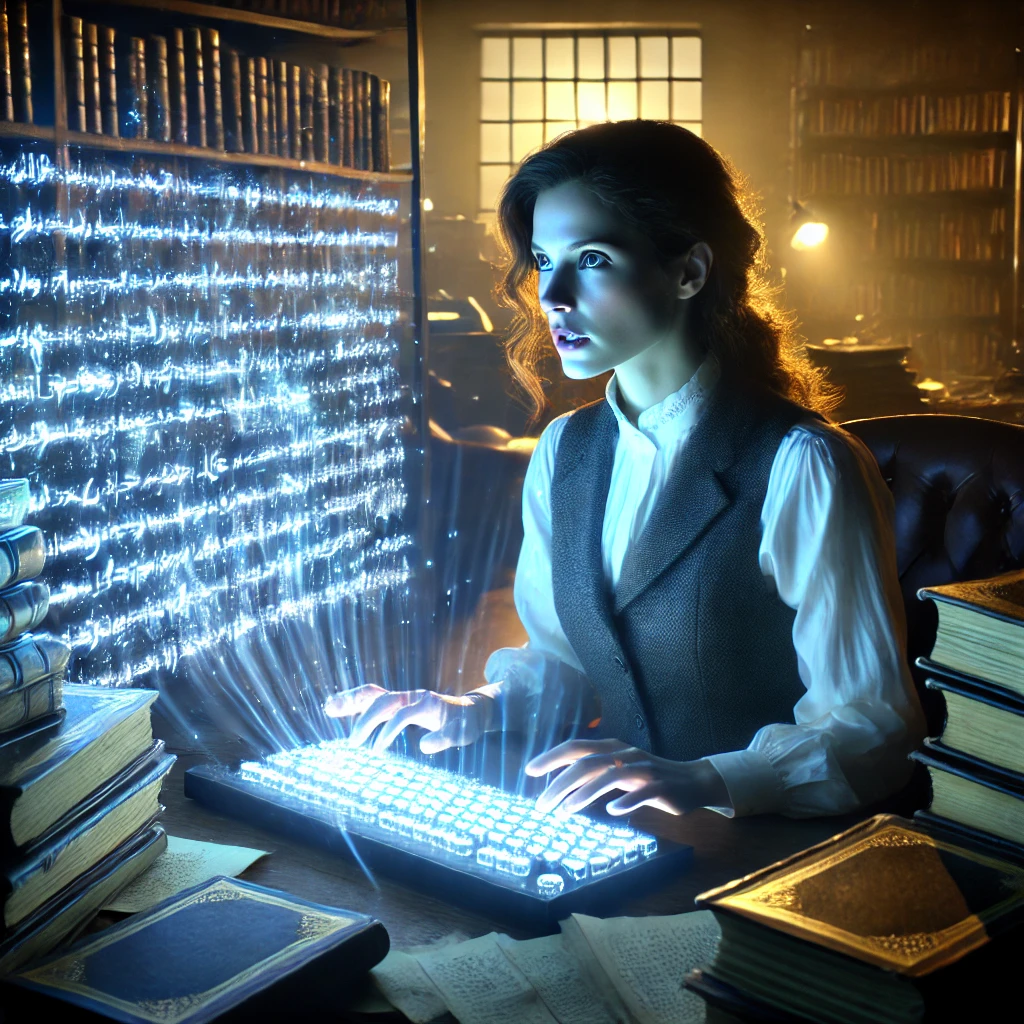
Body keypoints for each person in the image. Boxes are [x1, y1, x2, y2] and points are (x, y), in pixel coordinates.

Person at [325, 120, 927, 820]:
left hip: (769, 852)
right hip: (616, 832)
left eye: (594, 259)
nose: (554, 296)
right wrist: (473, 709)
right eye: (546, 261)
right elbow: (570, 664)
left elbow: (873, 729)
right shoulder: (564, 450)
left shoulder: (802, 464)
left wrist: (705, 780)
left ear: (689, 271)